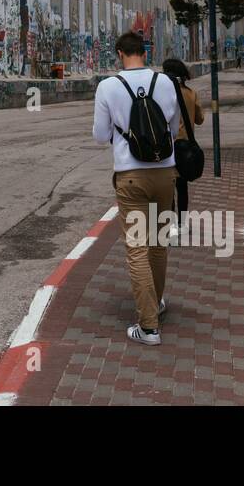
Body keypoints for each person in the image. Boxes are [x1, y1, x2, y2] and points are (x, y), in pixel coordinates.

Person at [93, 32, 180, 346]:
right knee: (158, 242)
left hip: (130, 176)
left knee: (137, 248)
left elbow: (100, 135)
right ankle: (155, 303)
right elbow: (173, 128)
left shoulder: (108, 87)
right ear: (145, 52)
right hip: (165, 173)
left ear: (119, 53)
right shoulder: (167, 83)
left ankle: (149, 327)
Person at [162, 58, 204, 227]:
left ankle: (170, 224)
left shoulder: (163, 94)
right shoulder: (191, 93)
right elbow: (200, 119)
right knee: (182, 187)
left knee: (168, 188)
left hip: (168, 147)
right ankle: (182, 223)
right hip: (185, 147)